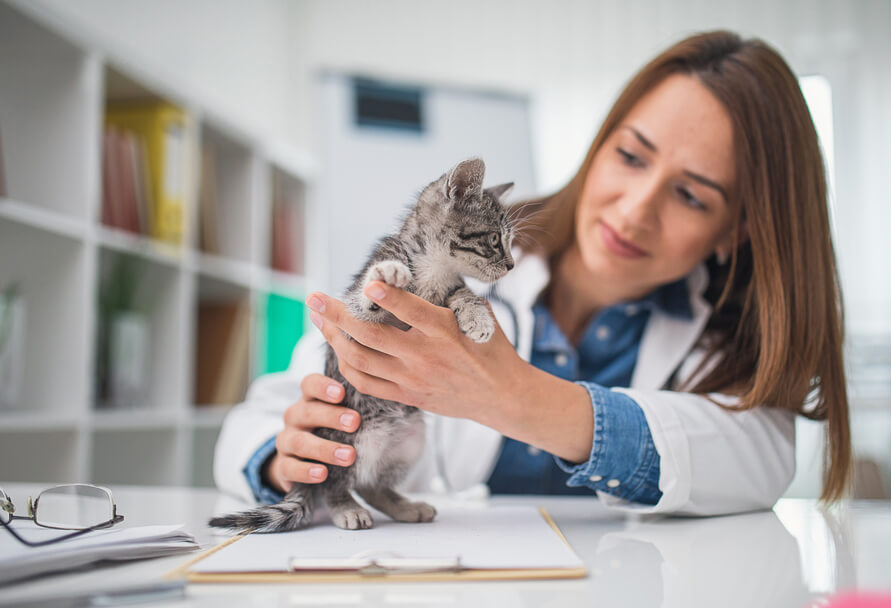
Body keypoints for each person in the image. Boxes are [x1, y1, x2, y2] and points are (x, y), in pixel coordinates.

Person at [213, 30, 851, 515]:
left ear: (736, 228)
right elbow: (262, 416)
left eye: (691, 196)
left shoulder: (730, 340)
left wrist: (519, 398)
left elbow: (758, 459)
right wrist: (287, 459)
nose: (635, 211)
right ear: (600, 141)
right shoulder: (448, 259)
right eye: (631, 155)